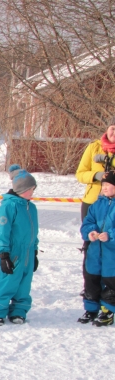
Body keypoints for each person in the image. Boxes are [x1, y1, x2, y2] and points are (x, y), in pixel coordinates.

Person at [0, 165, 39, 326]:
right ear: (21, 189)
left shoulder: (31, 207)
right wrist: (3, 253)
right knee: (8, 282)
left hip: (28, 252)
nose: (33, 192)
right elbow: (2, 231)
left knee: (24, 284)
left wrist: (35, 251)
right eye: (31, 188)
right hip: (13, 252)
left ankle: (19, 311)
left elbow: (34, 231)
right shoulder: (9, 206)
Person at [76, 117, 115, 299]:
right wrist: (98, 175)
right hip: (93, 202)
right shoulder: (94, 147)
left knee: (110, 243)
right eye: (112, 128)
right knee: (91, 243)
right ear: (107, 129)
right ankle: (90, 288)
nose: (114, 133)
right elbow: (80, 173)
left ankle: (110, 289)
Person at [79, 171, 115, 327]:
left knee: (111, 283)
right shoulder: (96, 204)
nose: (104, 188)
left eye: (108, 185)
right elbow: (87, 224)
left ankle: (108, 310)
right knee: (91, 281)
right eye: (103, 185)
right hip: (94, 253)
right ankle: (91, 309)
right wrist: (90, 233)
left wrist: (111, 235)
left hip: (111, 255)